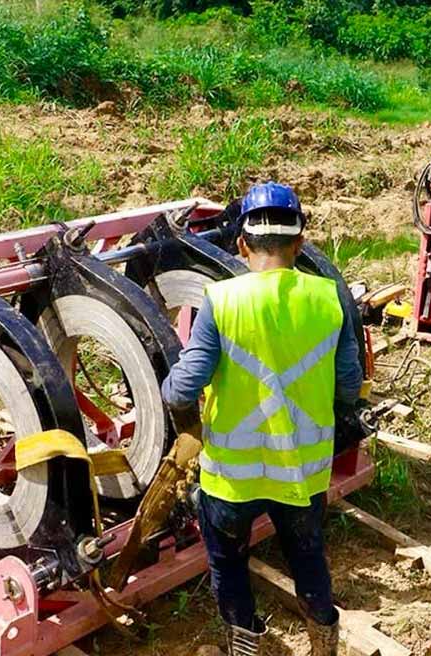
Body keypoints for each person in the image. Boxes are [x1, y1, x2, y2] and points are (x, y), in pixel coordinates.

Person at [161, 182, 363, 656]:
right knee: (308, 556)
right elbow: (350, 387)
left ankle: (244, 643)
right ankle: (323, 642)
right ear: (299, 244)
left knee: (229, 563)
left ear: (242, 244)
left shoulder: (221, 300)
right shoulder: (330, 298)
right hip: (303, 472)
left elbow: (181, 389)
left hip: (232, 480)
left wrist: (179, 406)